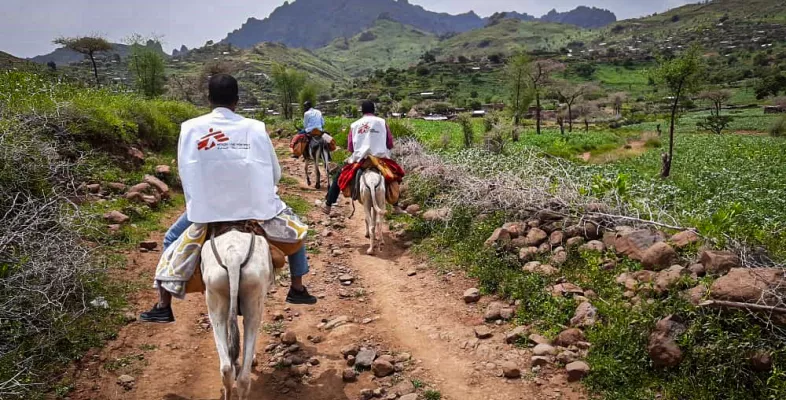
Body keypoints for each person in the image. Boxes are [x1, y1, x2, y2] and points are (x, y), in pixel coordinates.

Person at [140, 74, 316, 323]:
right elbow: (275, 173)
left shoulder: (190, 128)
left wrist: (201, 197)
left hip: (207, 210)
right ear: (237, 100)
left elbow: (185, 170)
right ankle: (297, 287)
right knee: (297, 231)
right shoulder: (255, 127)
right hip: (256, 209)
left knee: (170, 238)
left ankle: (163, 304)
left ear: (209, 98)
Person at [323, 100, 395, 214]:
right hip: (379, 160)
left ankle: (328, 204)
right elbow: (390, 143)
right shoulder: (382, 122)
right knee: (395, 174)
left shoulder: (355, 125)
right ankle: (396, 205)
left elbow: (351, 148)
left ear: (362, 111)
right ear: (374, 110)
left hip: (361, 160)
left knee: (339, 176)